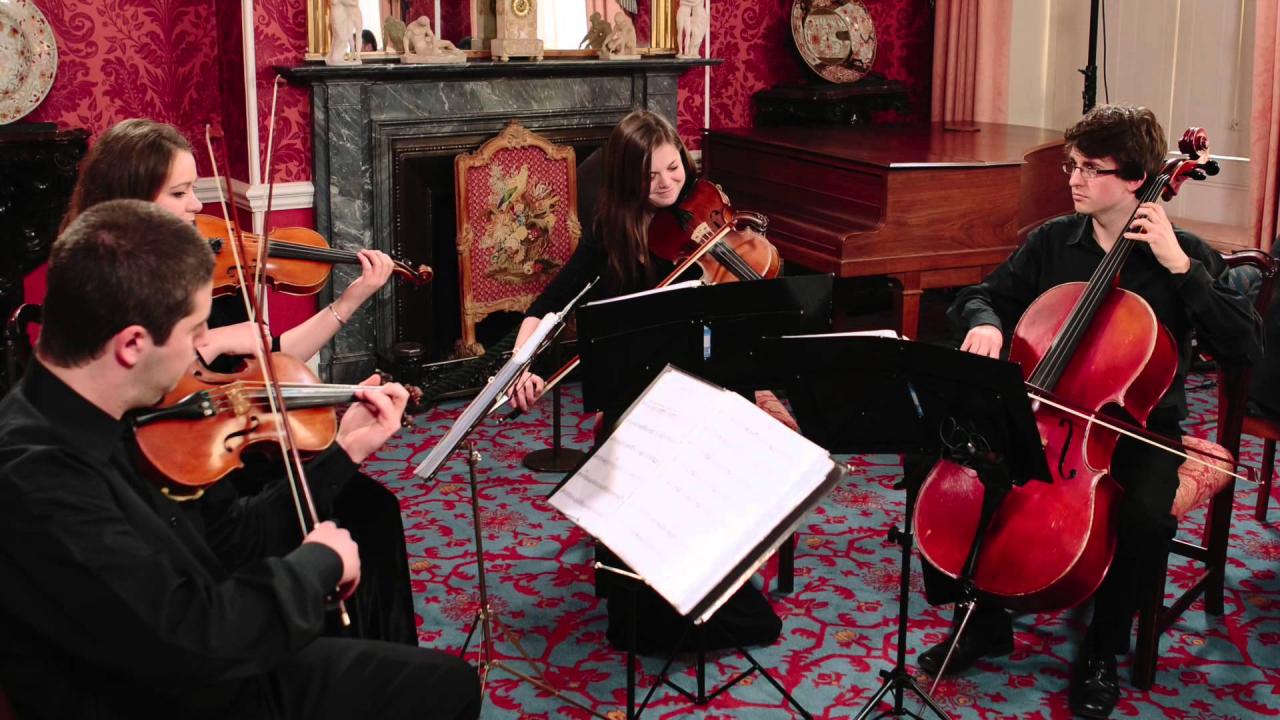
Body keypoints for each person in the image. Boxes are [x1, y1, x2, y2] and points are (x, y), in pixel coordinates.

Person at [0, 199, 480, 719]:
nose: (202, 349)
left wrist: (345, 450)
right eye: (195, 333)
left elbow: (228, 538)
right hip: (174, 695)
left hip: (214, 664)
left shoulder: (115, 410)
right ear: (132, 344)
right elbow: (194, 639)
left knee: (445, 683)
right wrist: (315, 566)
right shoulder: (37, 478)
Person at [917, 104, 1262, 719]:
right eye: (1071, 166)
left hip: (1137, 430)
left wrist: (1182, 271)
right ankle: (984, 619)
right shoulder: (1054, 241)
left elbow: (1243, 346)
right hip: (1042, 409)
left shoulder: (1185, 253)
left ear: (1136, 179)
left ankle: (1103, 647)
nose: (1073, 179)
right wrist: (986, 323)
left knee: (1146, 517)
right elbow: (980, 296)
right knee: (938, 460)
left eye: (1089, 169)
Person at [58, 118, 417, 645]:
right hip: (188, 450)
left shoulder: (198, 265)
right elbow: (134, 379)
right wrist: (211, 342)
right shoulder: (107, 285)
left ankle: (369, 659)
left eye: (194, 189)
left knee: (374, 508)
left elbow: (268, 362)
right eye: (179, 192)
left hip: (237, 429)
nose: (197, 205)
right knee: (359, 512)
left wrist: (350, 299)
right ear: (130, 200)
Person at [507, 109, 782, 655]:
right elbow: (547, 305)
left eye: (674, 168)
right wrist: (522, 362)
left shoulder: (707, 216)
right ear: (626, 178)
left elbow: (756, 319)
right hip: (639, 390)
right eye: (650, 175)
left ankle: (706, 581)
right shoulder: (610, 233)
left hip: (709, 382)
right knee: (637, 453)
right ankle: (643, 589)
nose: (666, 184)